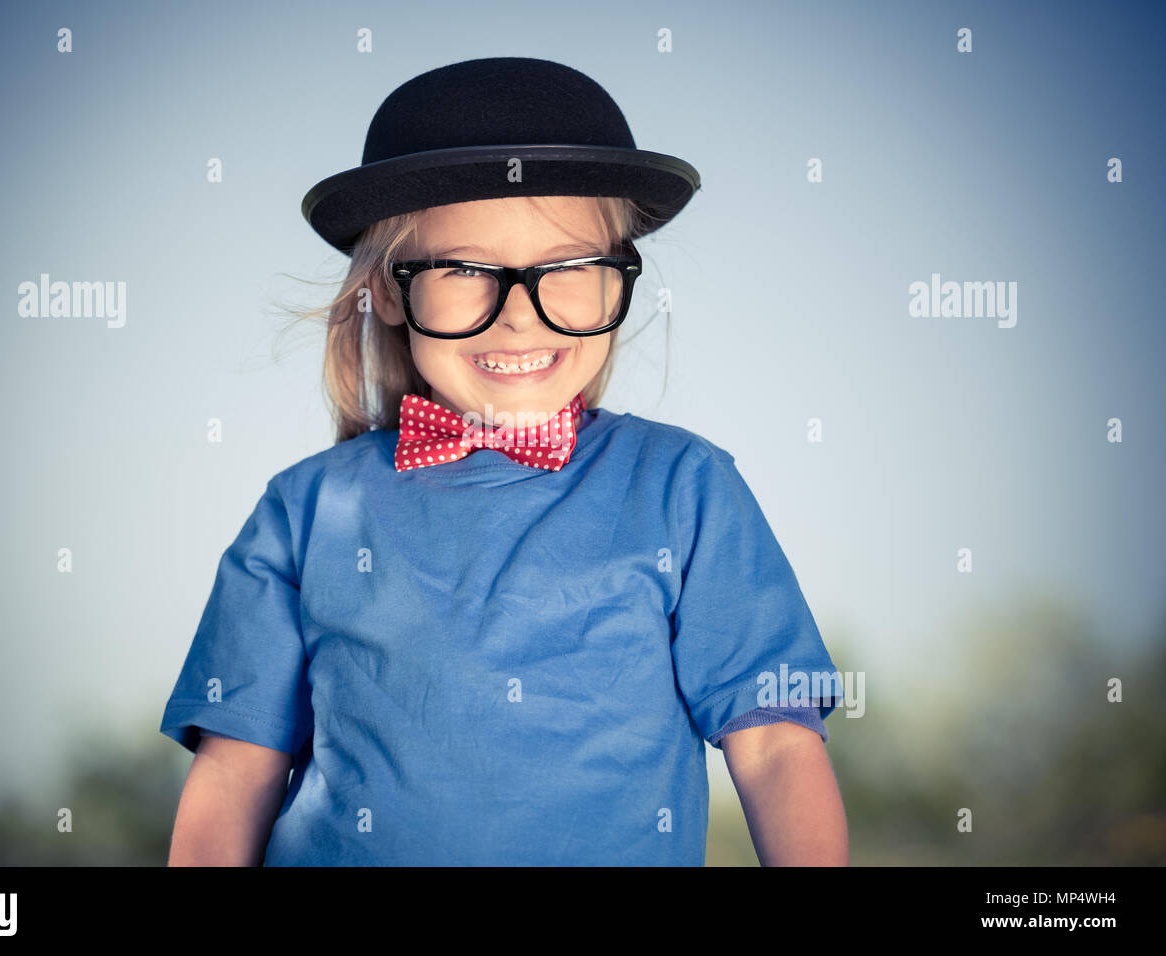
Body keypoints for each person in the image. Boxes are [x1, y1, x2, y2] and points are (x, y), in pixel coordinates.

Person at [160, 56, 848, 866]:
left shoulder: (686, 491)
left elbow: (773, 747)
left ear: (617, 278)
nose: (520, 318)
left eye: (568, 270)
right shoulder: (304, 510)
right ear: (385, 289)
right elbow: (236, 771)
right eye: (463, 270)